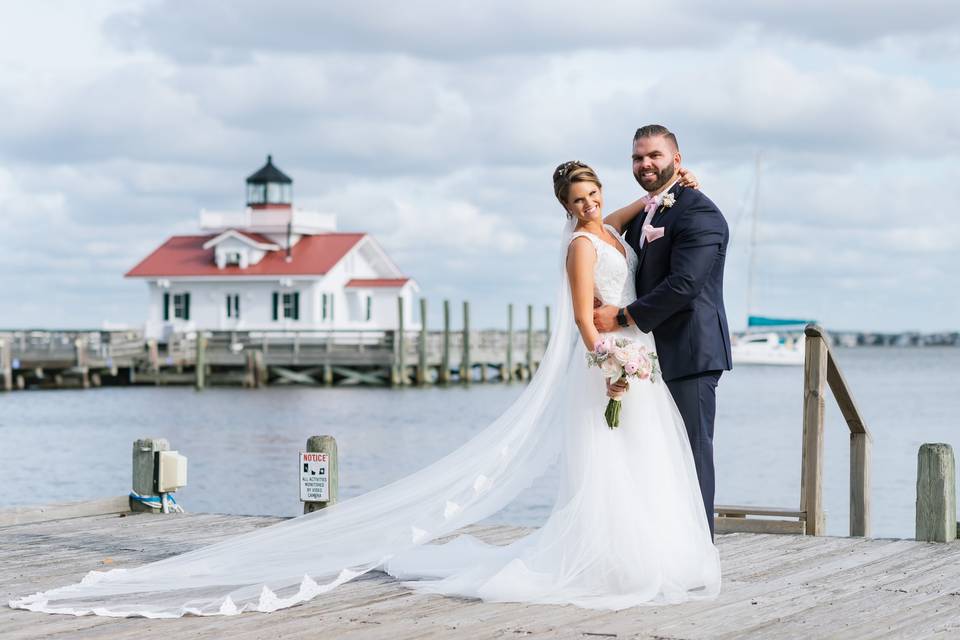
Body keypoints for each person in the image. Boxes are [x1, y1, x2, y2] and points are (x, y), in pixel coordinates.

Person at [9, 161, 720, 618]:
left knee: (647, 460)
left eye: (595, 195)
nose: (592, 204)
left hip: (637, 357)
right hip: (611, 364)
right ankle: (608, 556)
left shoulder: (613, 231)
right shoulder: (578, 245)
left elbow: (629, 214)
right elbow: (577, 317)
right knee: (610, 463)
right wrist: (607, 361)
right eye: (580, 199)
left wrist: (663, 187)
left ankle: (650, 552)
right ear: (564, 207)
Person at [594, 125, 733, 538]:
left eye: (654, 155)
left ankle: (698, 548)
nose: (645, 164)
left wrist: (620, 318)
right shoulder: (651, 210)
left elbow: (684, 285)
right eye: (637, 158)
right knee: (652, 452)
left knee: (692, 453)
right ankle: (658, 542)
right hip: (648, 353)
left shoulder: (700, 214)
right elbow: (603, 235)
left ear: (677, 158)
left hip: (690, 352)